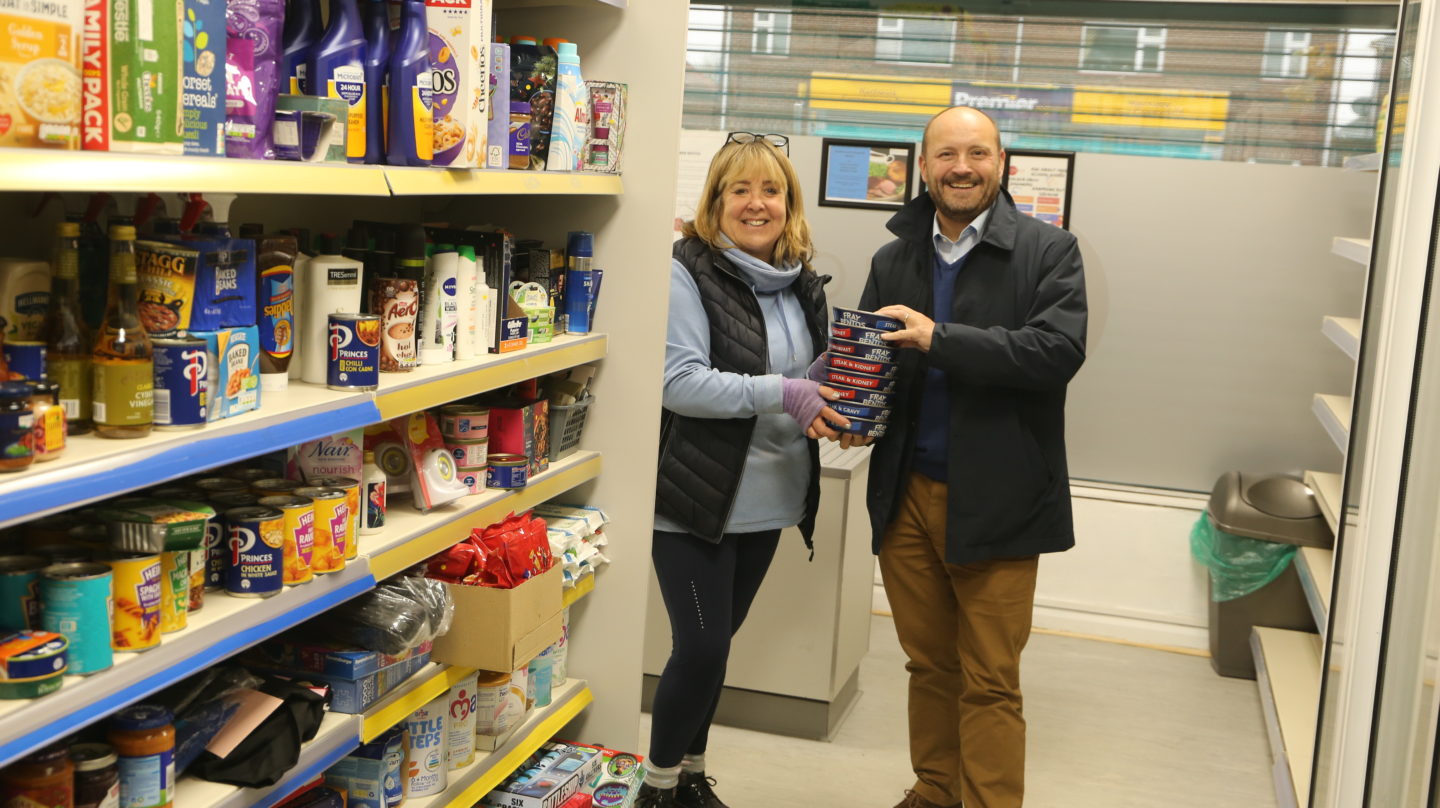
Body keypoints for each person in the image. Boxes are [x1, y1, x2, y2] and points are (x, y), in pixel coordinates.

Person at [853, 106, 1087, 808]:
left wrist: (940, 339)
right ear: (922, 167)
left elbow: (1055, 354)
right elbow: (870, 361)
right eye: (946, 153)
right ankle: (934, 791)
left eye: (977, 153)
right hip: (908, 497)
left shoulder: (1050, 251)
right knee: (929, 665)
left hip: (1000, 500)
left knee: (989, 678)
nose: (962, 166)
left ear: (1001, 163)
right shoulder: (894, 258)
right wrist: (852, 411)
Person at [640, 132, 848, 808]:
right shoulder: (685, 271)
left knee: (717, 650)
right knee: (698, 649)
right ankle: (657, 789)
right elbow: (682, 384)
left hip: (771, 496)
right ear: (715, 200)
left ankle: (693, 778)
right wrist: (782, 390)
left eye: (772, 191)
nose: (756, 204)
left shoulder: (803, 283)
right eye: (741, 190)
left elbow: (803, 376)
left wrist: (836, 381)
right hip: (694, 499)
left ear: (790, 205)